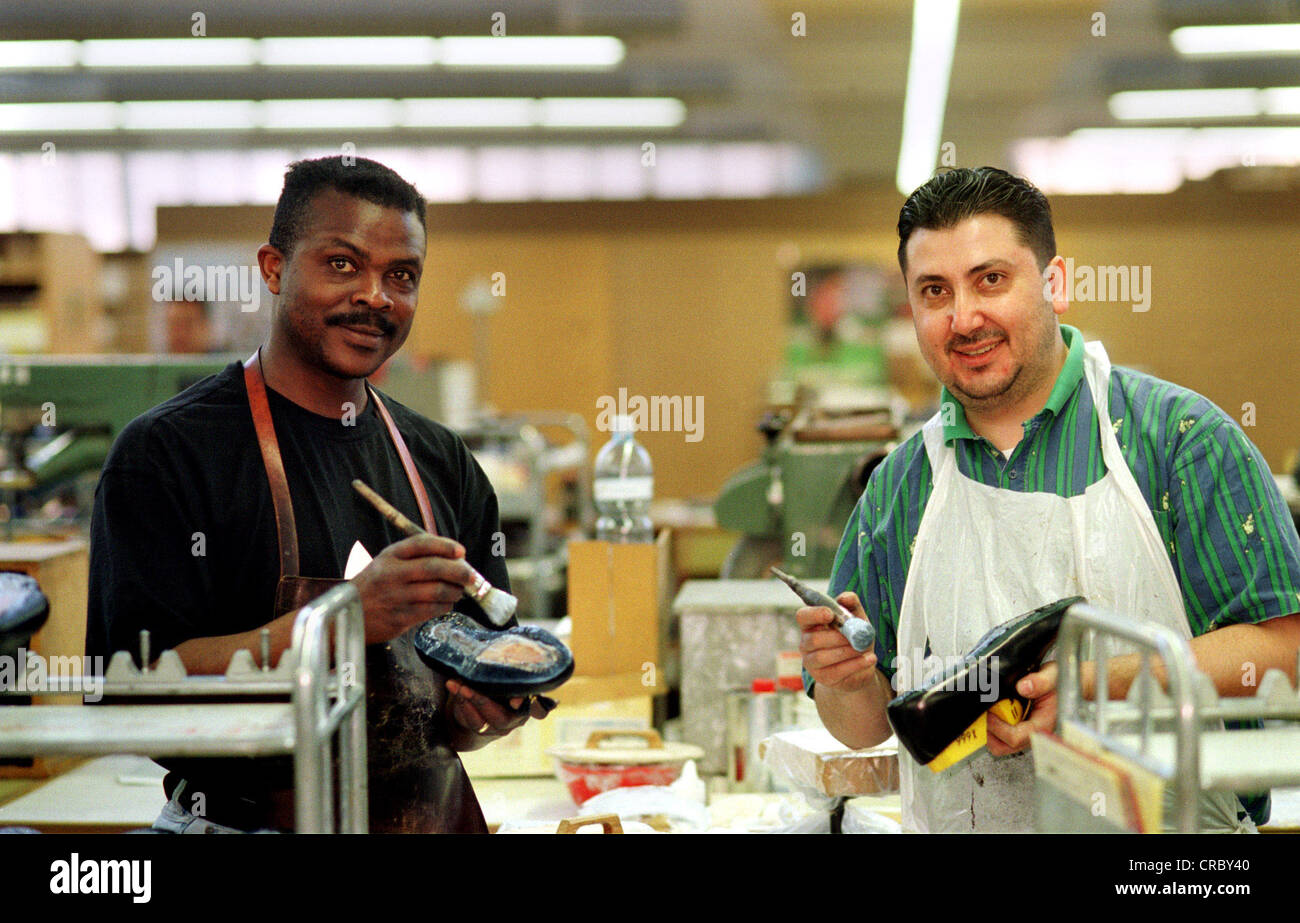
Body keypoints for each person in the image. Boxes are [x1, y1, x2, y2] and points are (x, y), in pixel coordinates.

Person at [799, 166, 1300, 833]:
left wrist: (1094, 681)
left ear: (1055, 283)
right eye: (934, 291)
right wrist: (847, 678)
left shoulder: (1178, 441)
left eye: (992, 279)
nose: (964, 317)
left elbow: (1285, 651)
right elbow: (863, 729)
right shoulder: (900, 486)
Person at [87, 156, 546, 833]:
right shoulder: (170, 455)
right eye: (342, 264)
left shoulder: (440, 461)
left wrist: (482, 711)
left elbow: (460, 710)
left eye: (401, 276)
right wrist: (339, 621)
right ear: (273, 268)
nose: (375, 296)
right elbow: (130, 685)